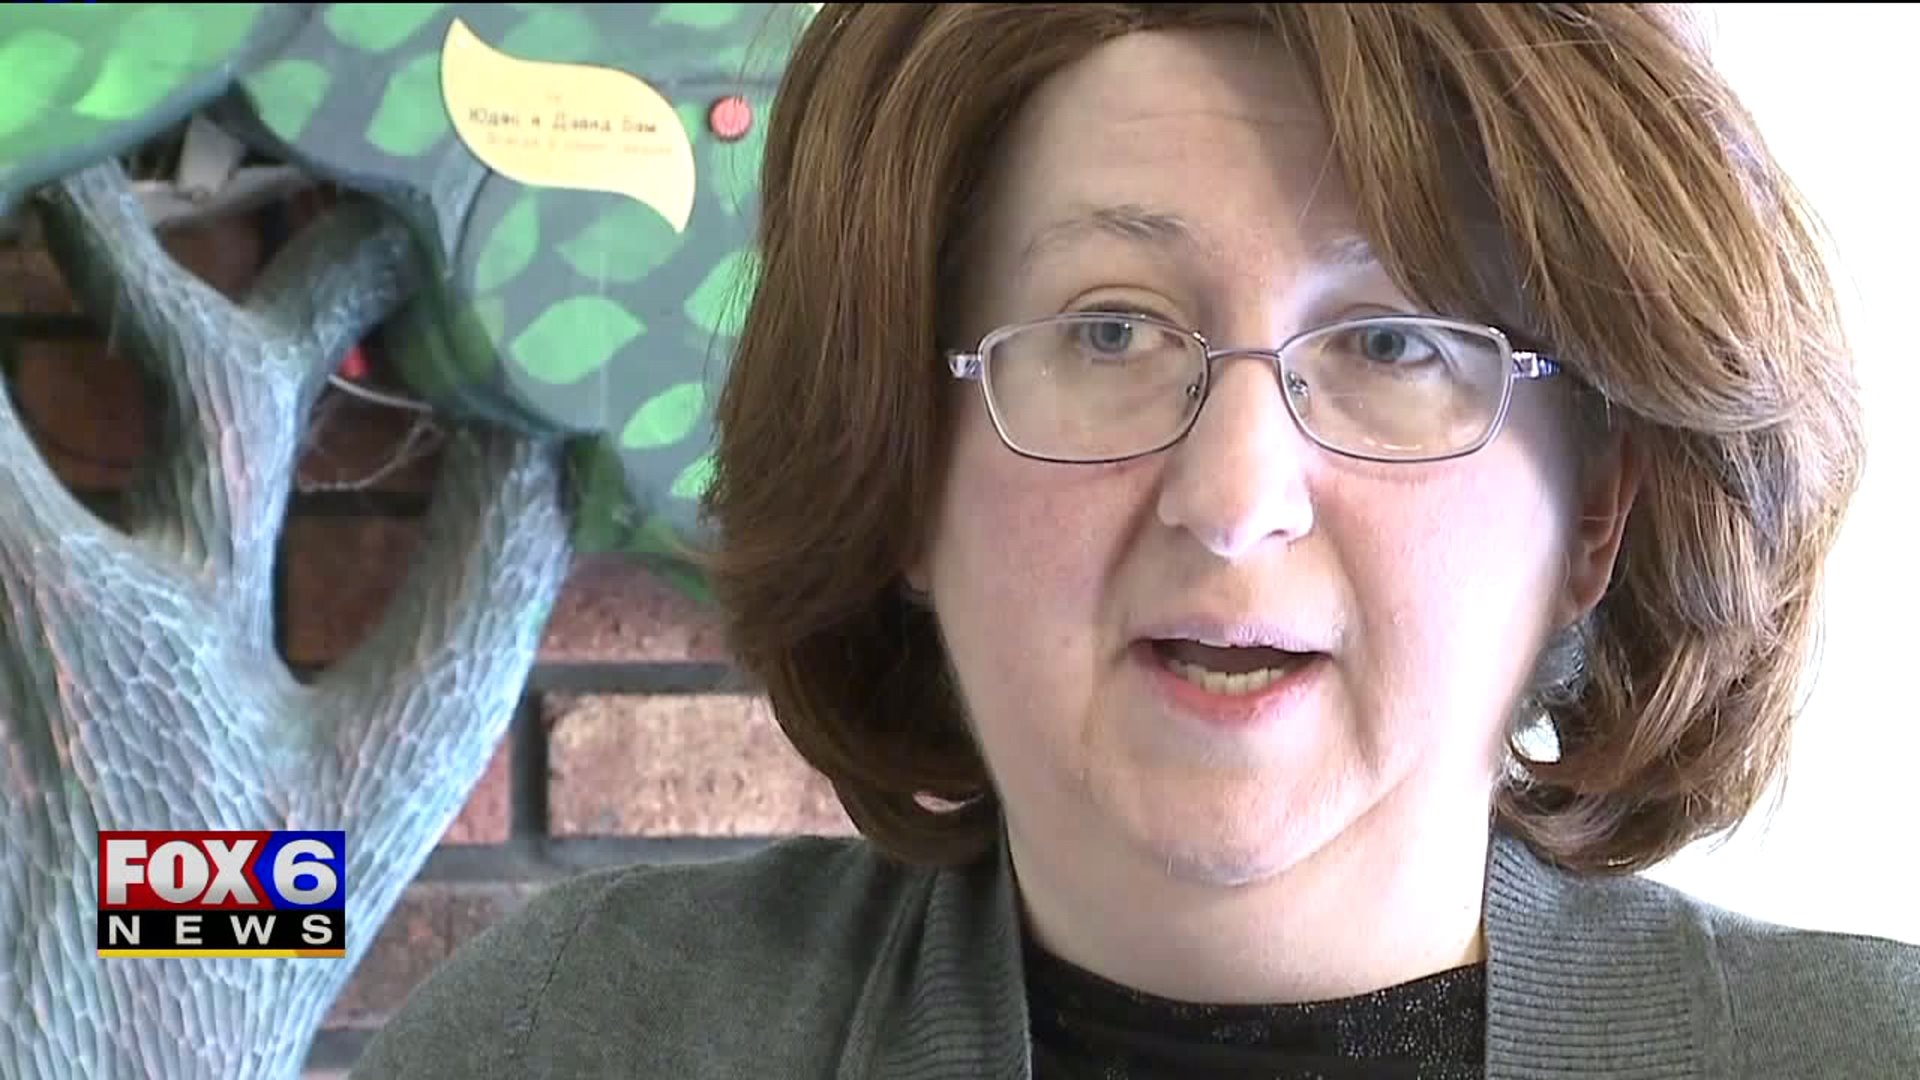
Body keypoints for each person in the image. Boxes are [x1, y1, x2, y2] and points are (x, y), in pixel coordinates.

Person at [351, 4, 1919, 1077]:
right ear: (905, 474)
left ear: (1596, 513)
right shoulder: (572, 1037)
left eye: (1392, 343)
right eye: (1109, 331)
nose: (1233, 497)